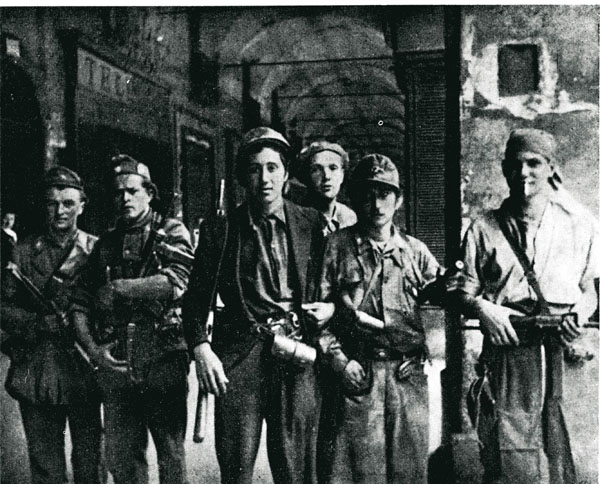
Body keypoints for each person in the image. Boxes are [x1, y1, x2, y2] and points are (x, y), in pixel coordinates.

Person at [183, 127, 333, 484]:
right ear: (242, 177)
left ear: (285, 173)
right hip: (241, 357)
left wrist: (330, 309)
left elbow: (333, 283)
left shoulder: (310, 222)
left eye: (272, 168)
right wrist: (201, 348)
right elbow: (195, 300)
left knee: (297, 469)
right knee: (236, 467)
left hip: (296, 353)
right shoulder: (221, 229)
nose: (264, 178)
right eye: (254, 169)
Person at [456, 129, 599, 483]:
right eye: (515, 165)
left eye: (534, 163)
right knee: (510, 444)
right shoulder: (483, 228)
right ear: (504, 169)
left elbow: (590, 289)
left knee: (571, 445)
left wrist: (579, 313)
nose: (523, 173)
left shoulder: (579, 224)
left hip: (565, 348)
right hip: (510, 347)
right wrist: (482, 308)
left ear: (551, 167)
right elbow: (462, 293)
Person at [70, 155, 194, 484]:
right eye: (117, 193)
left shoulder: (171, 231)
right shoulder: (106, 244)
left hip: (163, 357)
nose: (124, 198)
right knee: (123, 458)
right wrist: (94, 351)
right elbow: (80, 303)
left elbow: (177, 280)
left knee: (170, 453)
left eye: (132, 191)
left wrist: (119, 288)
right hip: (119, 362)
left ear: (149, 193)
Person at [317, 153, 440, 484]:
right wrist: (340, 361)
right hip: (360, 374)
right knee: (360, 473)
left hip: (407, 377)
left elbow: (442, 302)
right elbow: (318, 314)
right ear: (355, 199)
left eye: (384, 194)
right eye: (367, 194)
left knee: (409, 473)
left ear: (398, 200)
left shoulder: (415, 252)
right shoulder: (337, 247)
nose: (376, 204)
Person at [0, 167, 102, 484]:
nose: (60, 211)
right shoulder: (23, 251)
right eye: (51, 203)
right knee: (45, 466)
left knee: (90, 462)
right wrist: (37, 323)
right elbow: (3, 307)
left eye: (68, 203)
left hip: (83, 368)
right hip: (38, 368)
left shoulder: (97, 250)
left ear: (82, 205)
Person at [297, 140, 357, 235]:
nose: (326, 176)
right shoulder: (296, 218)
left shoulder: (349, 217)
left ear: (342, 175)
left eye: (333, 168)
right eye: (317, 169)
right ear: (307, 176)